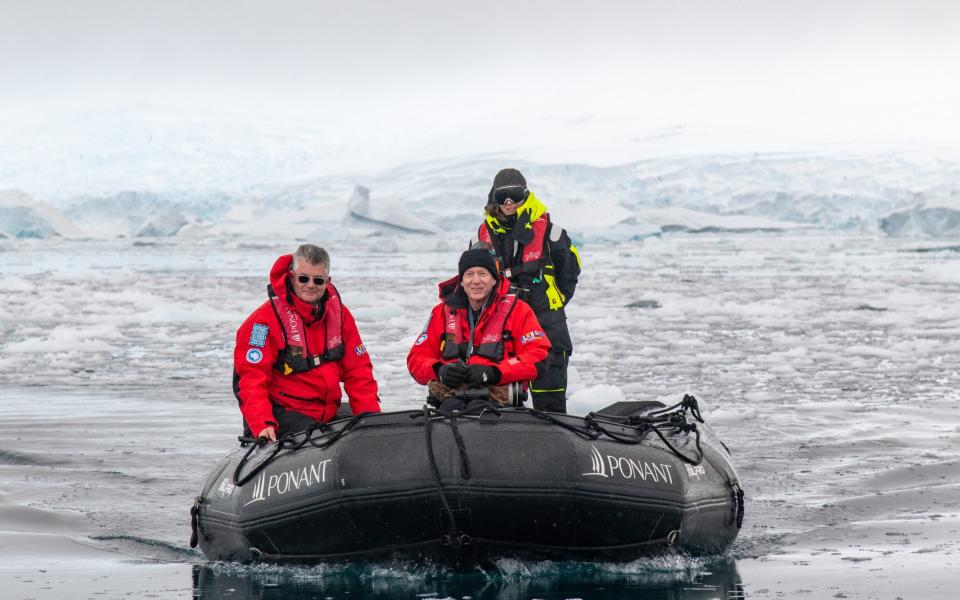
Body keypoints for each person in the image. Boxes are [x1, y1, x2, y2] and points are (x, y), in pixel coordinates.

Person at [233, 244, 380, 441]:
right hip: (283, 415)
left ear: (328, 282)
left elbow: (359, 371)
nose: (310, 285)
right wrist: (262, 423)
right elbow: (251, 380)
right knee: (326, 438)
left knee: (367, 427)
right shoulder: (262, 322)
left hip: (324, 413)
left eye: (318, 280)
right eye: (304, 278)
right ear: (292, 276)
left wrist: (370, 420)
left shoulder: (340, 315)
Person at [475, 168, 581, 413]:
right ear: (494, 198)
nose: (509, 203)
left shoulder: (552, 233)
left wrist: (553, 301)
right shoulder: (482, 236)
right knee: (501, 402)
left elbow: (570, 271)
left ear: (525, 195)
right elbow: (472, 277)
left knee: (549, 402)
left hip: (546, 322)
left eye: (514, 195)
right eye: (503, 197)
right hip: (499, 325)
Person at [407, 246, 551, 412]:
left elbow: (540, 357)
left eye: (482, 274)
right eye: (469, 274)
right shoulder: (442, 313)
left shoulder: (519, 311)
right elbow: (417, 358)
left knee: (480, 411)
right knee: (451, 411)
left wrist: (495, 372)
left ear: (494, 279)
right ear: (461, 280)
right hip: (451, 400)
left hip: (499, 405)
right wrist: (439, 369)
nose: (476, 281)